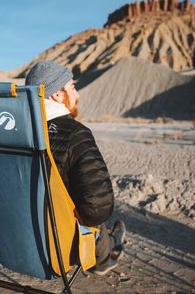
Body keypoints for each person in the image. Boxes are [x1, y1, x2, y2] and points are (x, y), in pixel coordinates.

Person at [25, 60, 126, 276]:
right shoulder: (75, 135)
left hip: (15, 239)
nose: (77, 95)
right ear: (57, 95)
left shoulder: (10, 133)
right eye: (72, 87)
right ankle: (104, 257)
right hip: (59, 247)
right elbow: (97, 211)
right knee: (91, 210)